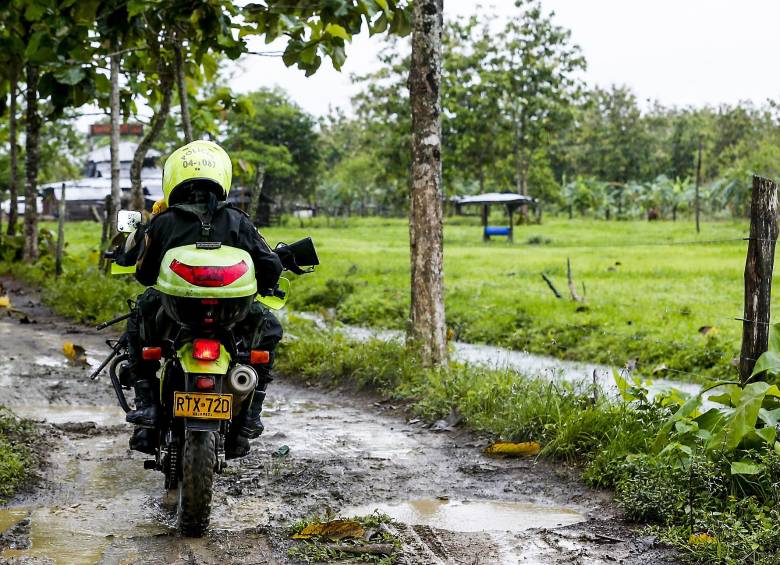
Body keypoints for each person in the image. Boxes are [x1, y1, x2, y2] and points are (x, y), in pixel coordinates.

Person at [117, 140, 284, 458]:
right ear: (221, 180)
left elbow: (144, 274)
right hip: (231, 314)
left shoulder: (164, 222)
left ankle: (148, 408)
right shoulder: (238, 220)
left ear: (175, 180)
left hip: (177, 312)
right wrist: (265, 284)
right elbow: (270, 266)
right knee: (268, 332)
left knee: (140, 325)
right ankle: (250, 416)